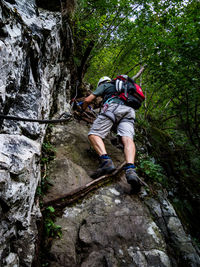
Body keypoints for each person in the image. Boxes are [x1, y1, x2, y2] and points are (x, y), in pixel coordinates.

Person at [81, 76, 141, 192]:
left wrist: (82, 109)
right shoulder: (124, 89)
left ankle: (106, 162)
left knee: (94, 134)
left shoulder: (106, 85)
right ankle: (130, 169)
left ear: (101, 83)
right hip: (130, 112)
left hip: (113, 108)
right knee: (128, 139)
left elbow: (88, 100)